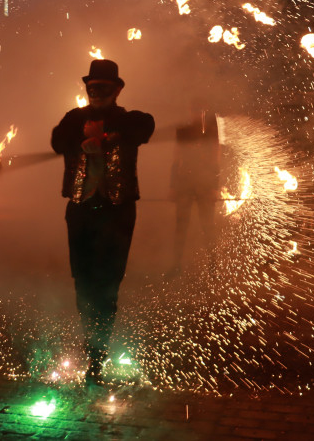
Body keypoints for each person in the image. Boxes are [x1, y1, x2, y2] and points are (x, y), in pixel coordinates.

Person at [51, 59, 154, 387]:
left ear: (118, 89)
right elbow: (57, 141)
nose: (95, 93)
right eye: (91, 88)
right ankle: (91, 350)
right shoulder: (73, 120)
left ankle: (97, 358)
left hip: (117, 212)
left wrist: (107, 137)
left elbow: (144, 128)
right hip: (81, 211)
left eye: (103, 88)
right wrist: (82, 139)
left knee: (108, 284)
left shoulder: (130, 119)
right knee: (84, 283)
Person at [167, 98, 220, 277]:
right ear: (190, 111)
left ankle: (213, 264)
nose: (197, 113)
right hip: (185, 182)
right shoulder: (183, 132)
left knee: (208, 226)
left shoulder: (212, 132)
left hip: (204, 184)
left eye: (200, 110)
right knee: (181, 225)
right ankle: (176, 265)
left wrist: (214, 186)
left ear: (204, 111)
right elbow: (176, 158)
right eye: (194, 110)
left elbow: (215, 159)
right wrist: (173, 185)